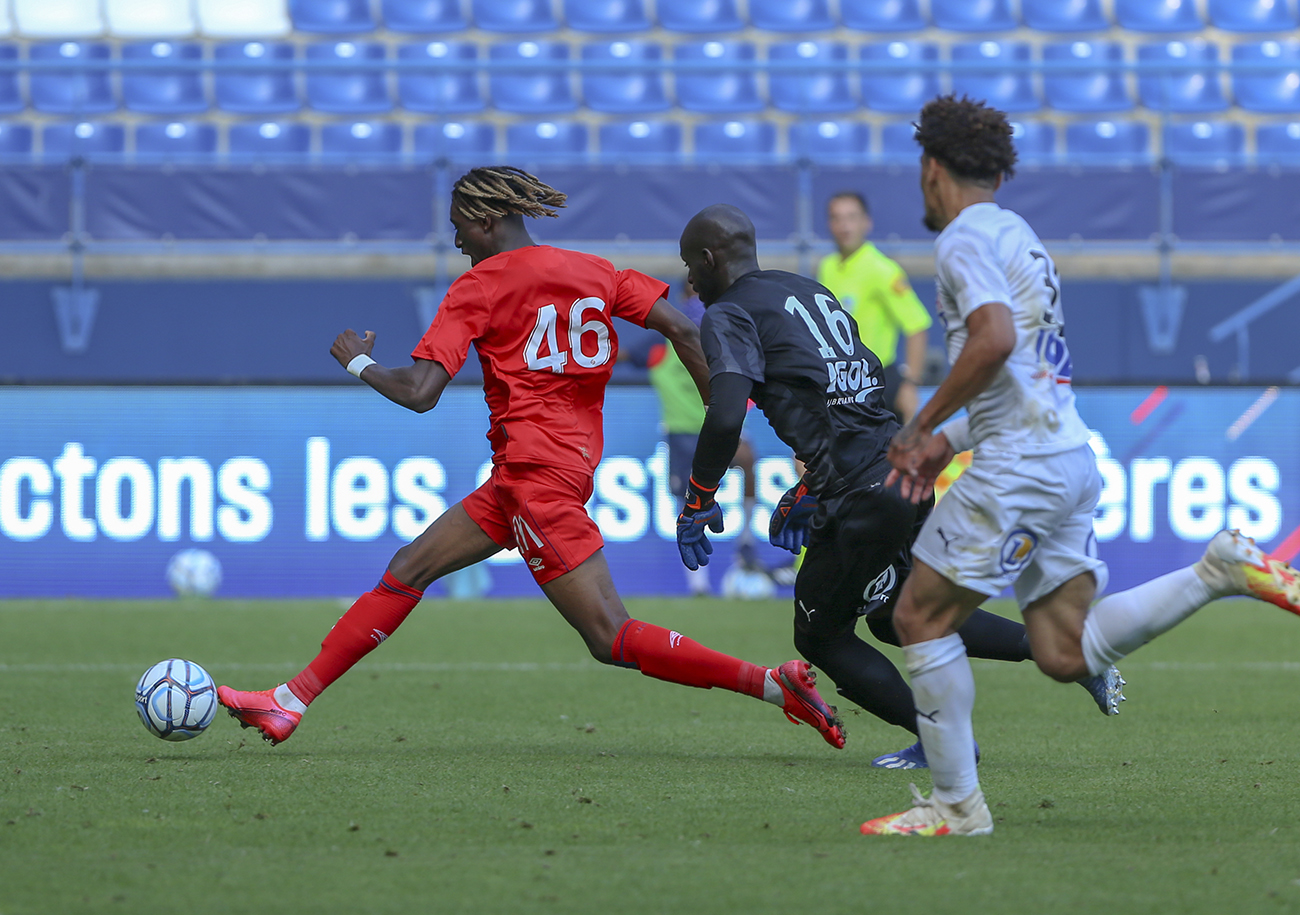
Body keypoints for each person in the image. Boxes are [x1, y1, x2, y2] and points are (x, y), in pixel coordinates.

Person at [215, 166, 845, 751]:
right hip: (540, 472)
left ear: (486, 219)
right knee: (409, 568)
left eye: (460, 225)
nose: (457, 240)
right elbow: (683, 329)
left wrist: (356, 359)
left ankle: (772, 683)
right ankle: (289, 700)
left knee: (609, 635)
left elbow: (420, 393)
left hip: (535, 479)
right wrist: (722, 416)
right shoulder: (595, 271)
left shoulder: (478, 286)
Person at [860, 96, 1300, 836]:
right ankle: (1216, 572)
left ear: (931, 169)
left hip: (1021, 468)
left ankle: (957, 805)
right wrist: (956, 433)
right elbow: (1029, 369)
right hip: (1066, 454)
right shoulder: (1021, 236)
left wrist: (923, 424)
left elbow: (994, 340)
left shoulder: (963, 239)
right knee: (1062, 650)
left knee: (916, 614)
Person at [672, 203, 1124, 772]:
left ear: (710, 259)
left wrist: (699, 495)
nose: (689, 279)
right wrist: (814, 481)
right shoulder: (808, 291)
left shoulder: (728, 313)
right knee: (898, 612)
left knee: (821, 637)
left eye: (691, 264)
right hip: (901, 469)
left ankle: (942, 741)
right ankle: (1071, 655)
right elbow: (854, 391)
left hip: (861, 491)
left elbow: (725, 412)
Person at [619, 278, 762, 596]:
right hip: (682, 435)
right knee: (688, 506)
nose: (697, 300)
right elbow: (623, 356)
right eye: (691, 295)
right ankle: (698, 582)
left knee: (748, 460)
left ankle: (747, 541)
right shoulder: (662, 345)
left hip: (719, 428)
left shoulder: (726, 337)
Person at [818, 192, 932, 423]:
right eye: (837, 218)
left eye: (851, 217)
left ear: (866, 223)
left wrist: (910, 383)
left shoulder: (882, 269)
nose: (844, 226)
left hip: (874, 380)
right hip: (838, 380)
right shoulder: (827, 267)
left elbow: (917, 325)